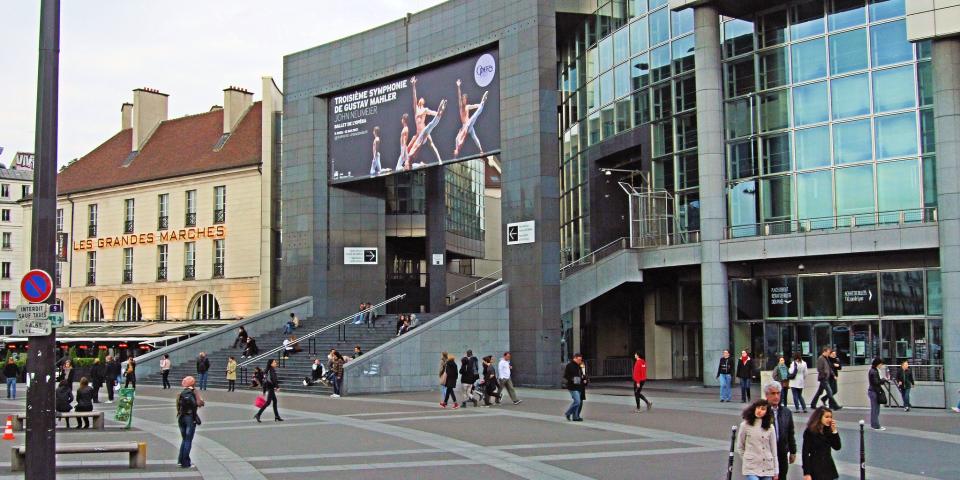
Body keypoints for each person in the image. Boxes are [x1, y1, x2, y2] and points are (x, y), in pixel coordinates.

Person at [407, 76, 447, 163]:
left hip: (425, 131)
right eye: (420, 100)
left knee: (432, 145)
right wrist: (413, 85)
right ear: (418, 102)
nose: (421, 100)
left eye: (422, 100)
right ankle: (406, 163)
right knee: (411, 149)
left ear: (423, 102)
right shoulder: (416, 109)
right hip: (419, 134)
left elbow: (434, 113)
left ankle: (440, 160)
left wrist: (439, 112)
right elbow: (414, 97)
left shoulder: (425, 110)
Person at [736, 399, 778, 480]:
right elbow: (740, 446)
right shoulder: (745, 425)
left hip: (767, 466)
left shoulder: (770, 427)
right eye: (758, 407)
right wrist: (747, 458)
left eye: (763, 409)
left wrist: (776, 471)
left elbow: (774, 450)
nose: (759, 410)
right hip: (751, 467)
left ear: (766, 412)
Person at [764, 381, 796, 479]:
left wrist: (793, 451)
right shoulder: (762, 411)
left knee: (782, 476)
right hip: (766, 455)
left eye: (778, 393)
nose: (776, 396)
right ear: (766, 395)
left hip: (782, 453)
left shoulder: (786, 412)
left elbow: (790, 433)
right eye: (773, 393)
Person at [802, 407, 841, 480]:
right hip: (815, 467)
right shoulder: (809, 432)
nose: (829, 419)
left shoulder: (828, 431)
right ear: (819, 417)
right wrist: (806, 473)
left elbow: (837, 447)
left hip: (828, 467)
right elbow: (805, 453)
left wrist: (834, 431)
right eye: (826, 417)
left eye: (830, 417)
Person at [453, 78, 489, 157]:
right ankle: (456, 150)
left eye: (465, 99)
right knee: (457, 139)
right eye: (463, 100)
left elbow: (475, 105)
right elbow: (459, 97)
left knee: (474, 136)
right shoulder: (461, 107)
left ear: (466, 100)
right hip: (465, 126)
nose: (464, 101)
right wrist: (458, 86)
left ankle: (481, 150)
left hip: (470, 125)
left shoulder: (468, 106)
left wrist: (480, 104)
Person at [177, 375, 204, 469]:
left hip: (181, 417)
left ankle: (180, 460)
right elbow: (198, 403)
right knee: (188, 440)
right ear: (193, 384)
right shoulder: (192, 392)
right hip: (189, 418)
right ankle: (185, 462)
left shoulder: (182, 393)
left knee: (184, 439)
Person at [563, 353, 585, 421]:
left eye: (580, 360)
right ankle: (568, 413)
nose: (580, 361)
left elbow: (583, 374)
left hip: (579, 386)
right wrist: (572, 379)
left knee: (578, 402)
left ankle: (575, 417)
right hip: (572, 386)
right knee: (577, 401)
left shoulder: (580, 365)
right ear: (575, 358)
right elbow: (566, 375)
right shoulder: (569, 365)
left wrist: (584, 379)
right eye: (578, 359)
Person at [867, 358, 887, 431]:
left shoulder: (872, 370)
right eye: (881, 364)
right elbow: (876, 382)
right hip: (874, 391)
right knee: (875, 409)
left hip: (873, 391)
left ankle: (874, 424)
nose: (881, 366)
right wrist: (883, 380)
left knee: (875, 409)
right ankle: (876, 425)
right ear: (878, 364)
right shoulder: (874, 371)